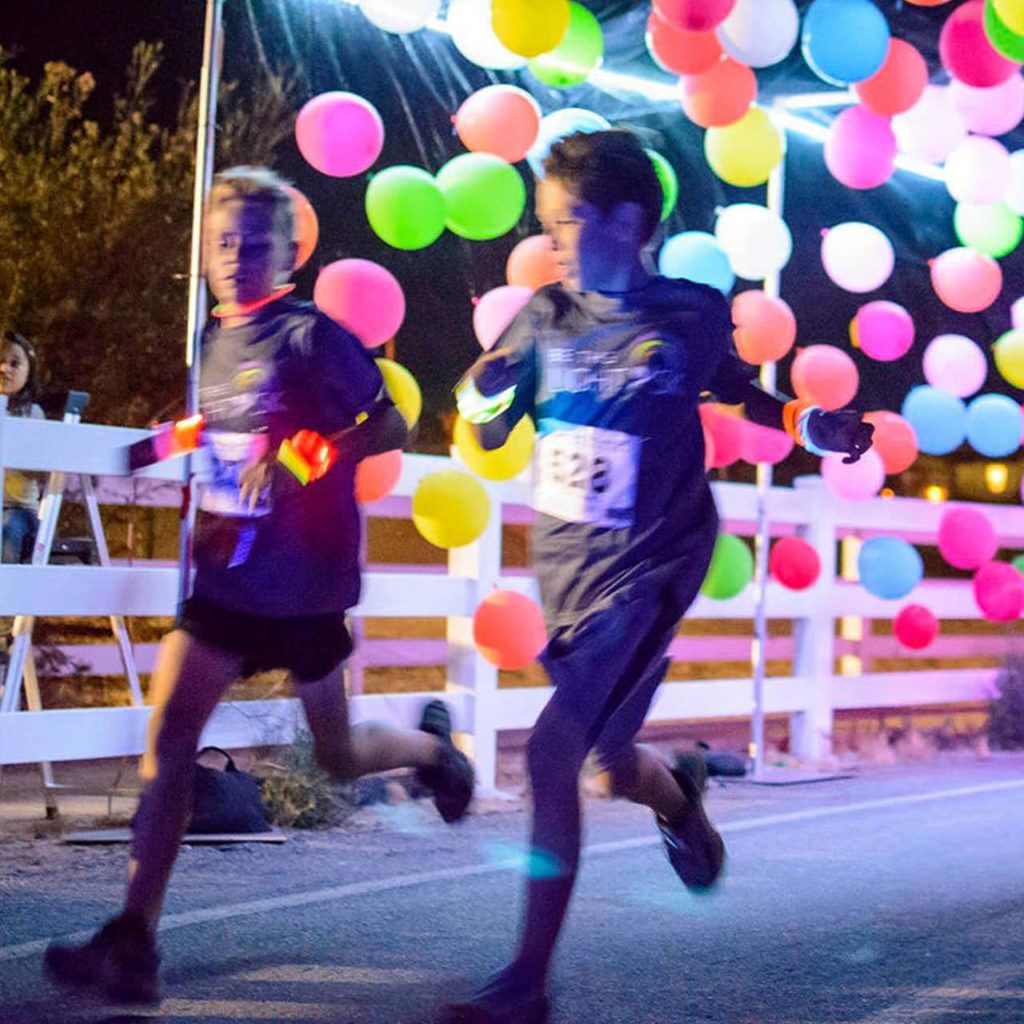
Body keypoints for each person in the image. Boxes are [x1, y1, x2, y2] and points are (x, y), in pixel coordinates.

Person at [449, 130, 872, 1024]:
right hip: (568, 565)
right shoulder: (542, 316)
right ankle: (680, 798)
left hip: (655, 563)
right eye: (547, 223)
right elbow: (488, 425)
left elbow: (725, 385)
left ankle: (526, 981)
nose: (552, 239)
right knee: (605, 766)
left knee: (554, 752)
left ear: (626, 220)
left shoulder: (689, 309)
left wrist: (807, 423)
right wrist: (480, 393)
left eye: (565, 221)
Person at [44, 166, 475, 1005]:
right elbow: (227, 423)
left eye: (256, 242)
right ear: (207, 252)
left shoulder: (312, 336)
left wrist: (300, 458)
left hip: (304, 584)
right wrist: (158, 446)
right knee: (169, 743)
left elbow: (389, 419)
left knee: (339, 757)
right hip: (223, 582)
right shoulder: (214, 340)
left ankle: (433, 753)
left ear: (288, 253)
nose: (238, 255)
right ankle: (134, 942)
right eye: (224, 241)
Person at [1, 330, 46, 564]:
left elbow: (39, 469)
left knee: (7, 529)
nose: (4, 369)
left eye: (14, 363)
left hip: (19, 509)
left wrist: (15, 454)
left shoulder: (32, 414)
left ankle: (7, 594)